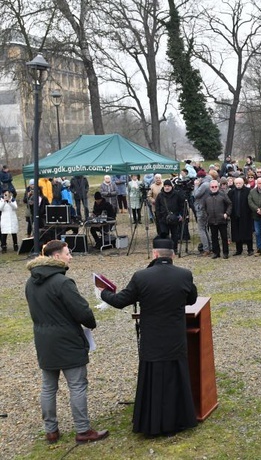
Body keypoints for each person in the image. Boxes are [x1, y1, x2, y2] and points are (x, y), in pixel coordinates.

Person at [100, 238, 197, 437]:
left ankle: (152, 422)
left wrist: (104, 294)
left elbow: (120, 301)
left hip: (152, 338)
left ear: (154, 255)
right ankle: (178, 419)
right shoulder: (184, 275)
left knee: (153, 379)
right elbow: (192, 299)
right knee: (175, 377)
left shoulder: (141, 277)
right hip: (175, 338)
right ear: (173, 256)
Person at [25, 239, 108, 444]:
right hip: (67, 339)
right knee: (77, 385)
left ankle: (50, 430)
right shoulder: (62, 282)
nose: (70, 256)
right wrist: (90, 322)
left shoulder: (30, 282)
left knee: (48, 386)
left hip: (44, 340)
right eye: (67, 253)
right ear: (56, 257)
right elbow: (81, 311)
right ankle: (82, 429)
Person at [201, 179, 231, 259]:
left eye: (215, 186)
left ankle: (225, 252)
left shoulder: (223, 194)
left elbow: (229, 204)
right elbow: (203, 207)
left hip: (222, 219)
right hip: (211, 220)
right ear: (210, 187)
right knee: (214, 237)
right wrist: (206, 215)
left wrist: (226, 214)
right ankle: (216, 252)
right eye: (212, 187)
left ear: (218, 187)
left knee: (224, 237)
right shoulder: (206, 196)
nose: (214, 188)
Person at [155, 179, 184, 252]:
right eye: (165, 186)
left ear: (171, 186)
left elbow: (181, 205)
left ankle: (174, 249)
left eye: (168, 186)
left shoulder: (176, 195)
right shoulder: (160, 195)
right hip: (163, 219)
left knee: (175, 235)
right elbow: (157, 207)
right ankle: (166, 249)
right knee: (164, 235)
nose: (167, 188)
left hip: (174, 218)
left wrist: (181, 215)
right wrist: (159, 217)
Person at [228, 177, 254, 256]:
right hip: (235, 215)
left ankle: (250, 249)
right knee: (236, 233)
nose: (238, 185)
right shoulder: (231, 192)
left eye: (240, 183)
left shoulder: (248, 191)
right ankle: (239, 250)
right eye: (236, 183)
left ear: (243, 183)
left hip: (246, 215)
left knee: (247, 233)